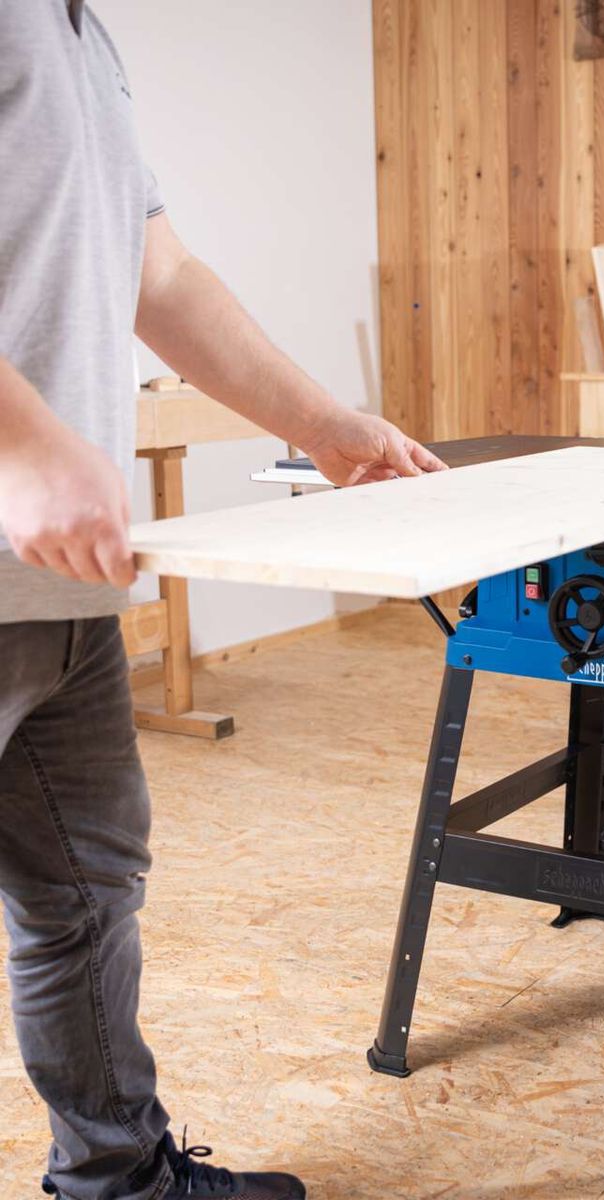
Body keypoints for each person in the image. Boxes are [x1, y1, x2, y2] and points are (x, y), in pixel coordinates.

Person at [0, 4, 445, 1197]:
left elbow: (167, 274)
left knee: (86, 885)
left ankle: (116, 1180)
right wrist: (22, 444)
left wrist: (325, 425)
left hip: (50, 587)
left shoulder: (81, 34)